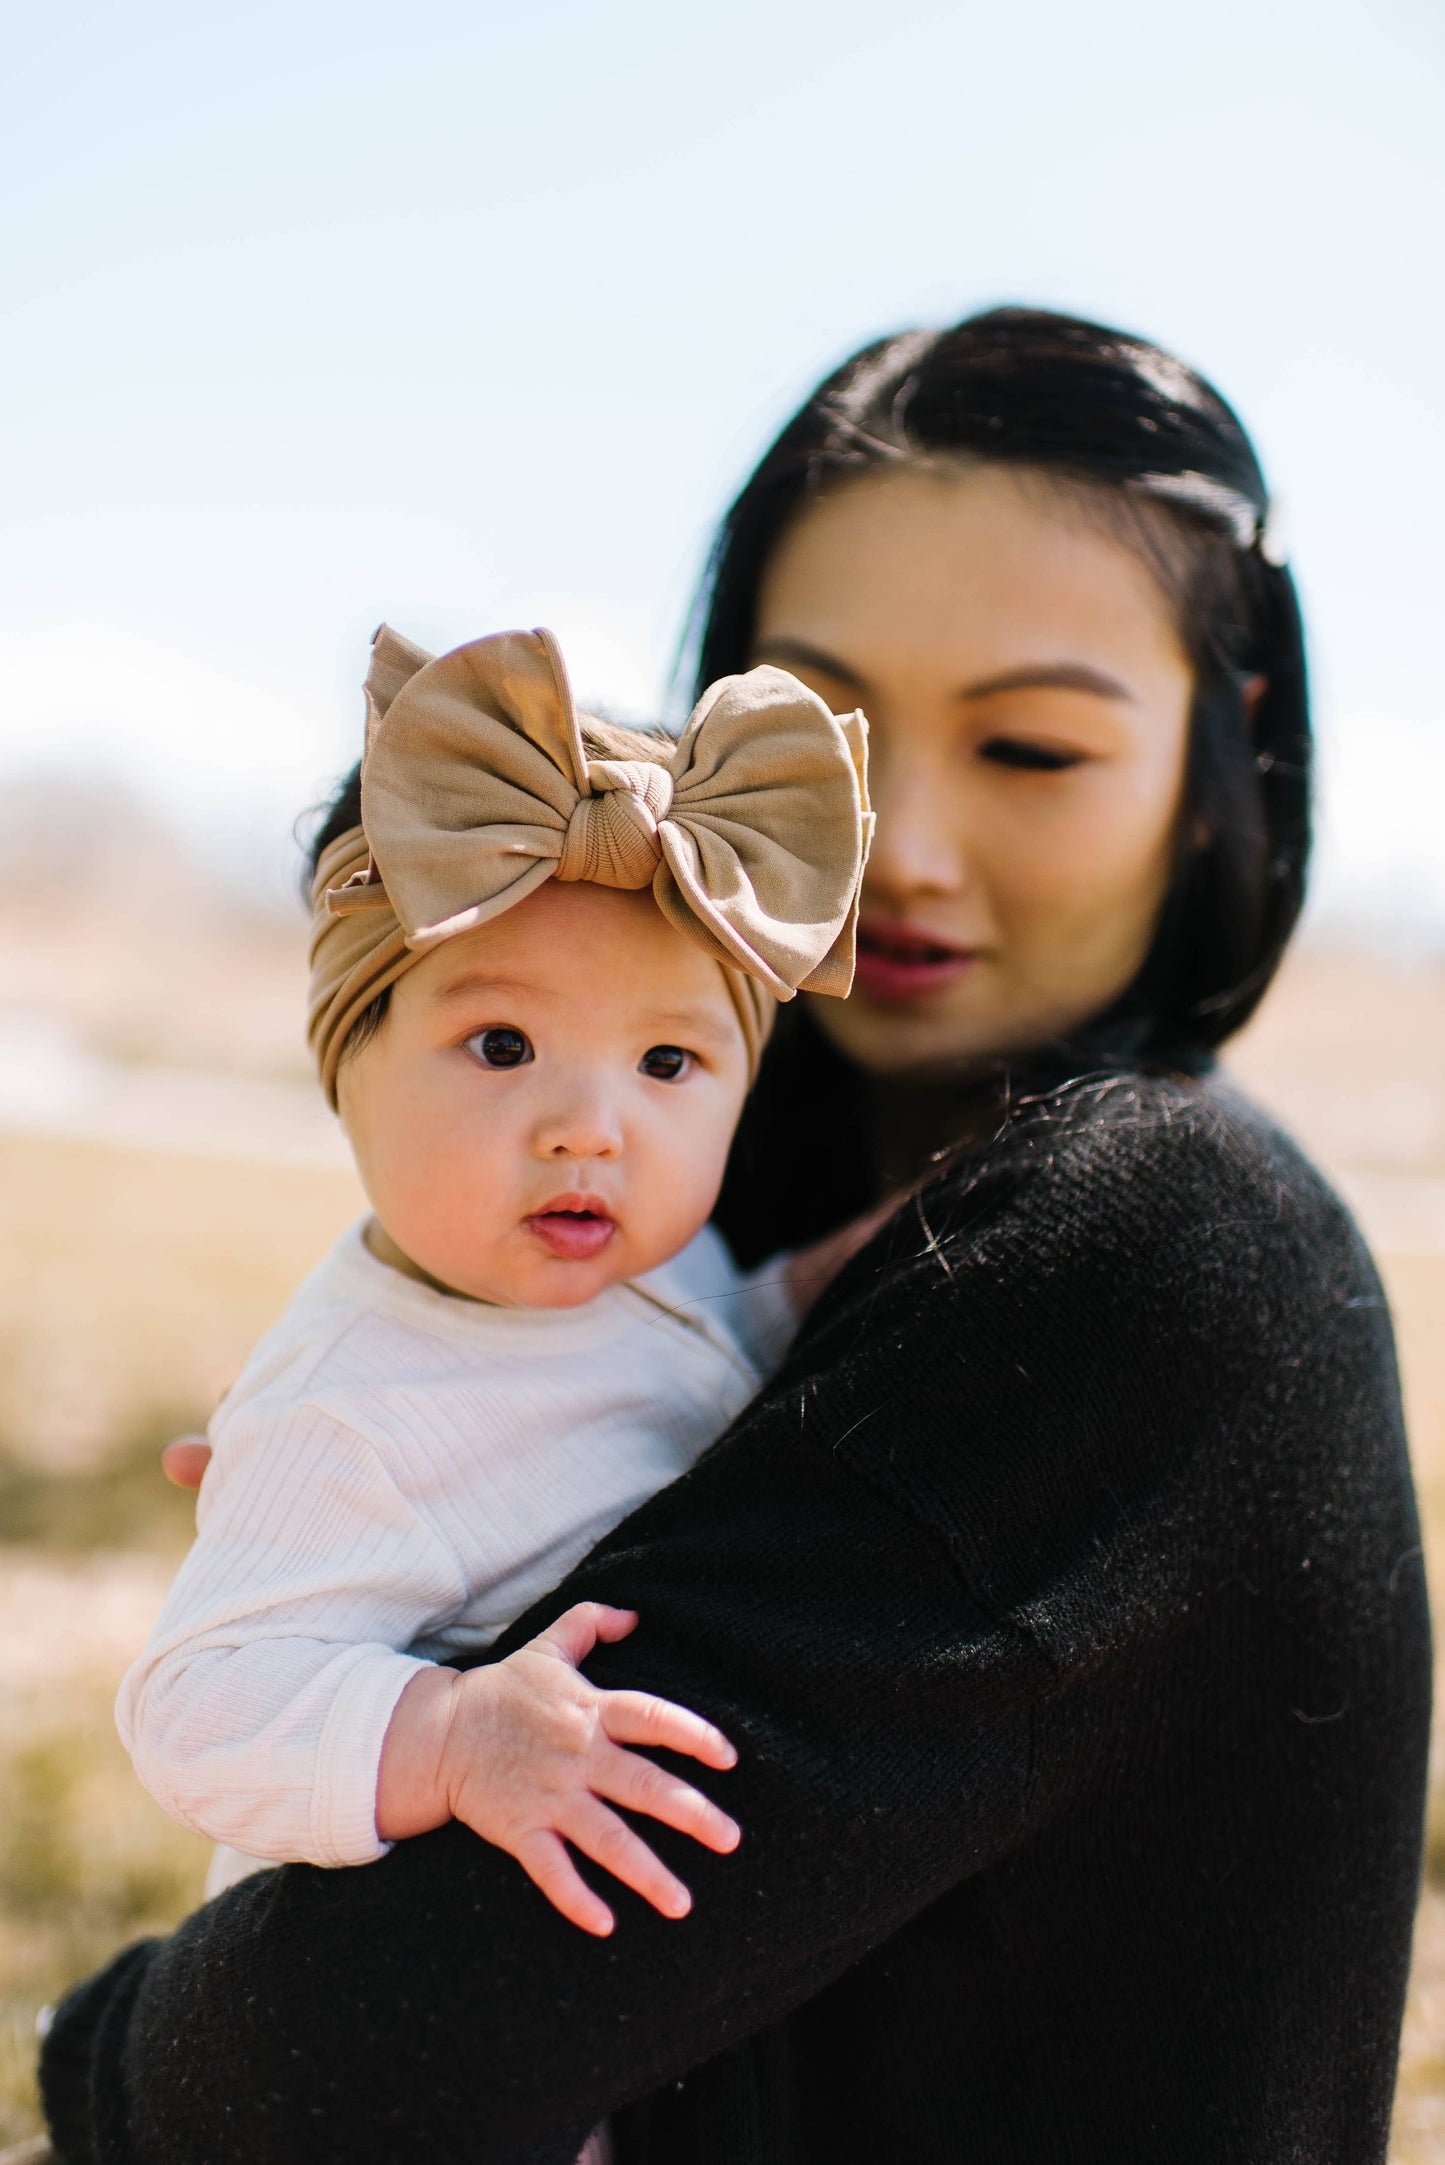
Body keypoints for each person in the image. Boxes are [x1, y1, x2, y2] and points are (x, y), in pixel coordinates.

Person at [34, 308, 1431, 2165]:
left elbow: (352, 2054)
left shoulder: (1166, 1242)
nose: (905, 846)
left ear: (1221, 745)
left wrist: (94, 2052)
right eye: (826, 746)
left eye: (1027, 747)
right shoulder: (693, 1208)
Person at [117, 623, 869, 1950]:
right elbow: (198, 1709)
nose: (591, 1124)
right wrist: (450, 1733)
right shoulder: (349, 1414)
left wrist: (837, 1275)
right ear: (348, 1057)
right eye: (503, 1042)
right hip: (380, 1996)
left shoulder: (633, 1271)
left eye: (666, 1061)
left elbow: (688, 1368)